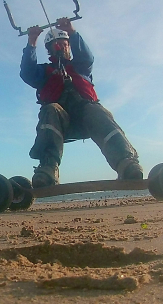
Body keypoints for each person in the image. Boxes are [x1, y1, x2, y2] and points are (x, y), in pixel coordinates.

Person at [20, 17, 143, 188]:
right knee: (51, 109)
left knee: (97, 111)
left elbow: (87, 57)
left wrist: (72, 31)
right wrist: (32, 42)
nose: (61, 47)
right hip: (61, 123)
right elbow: (27, 73)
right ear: (49, 50)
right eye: (57, 45)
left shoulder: (81, 67)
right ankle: (48, 169)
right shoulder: (44, 72)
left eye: (65, 44)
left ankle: (126, 163)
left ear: (69, 46)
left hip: (88, 119)